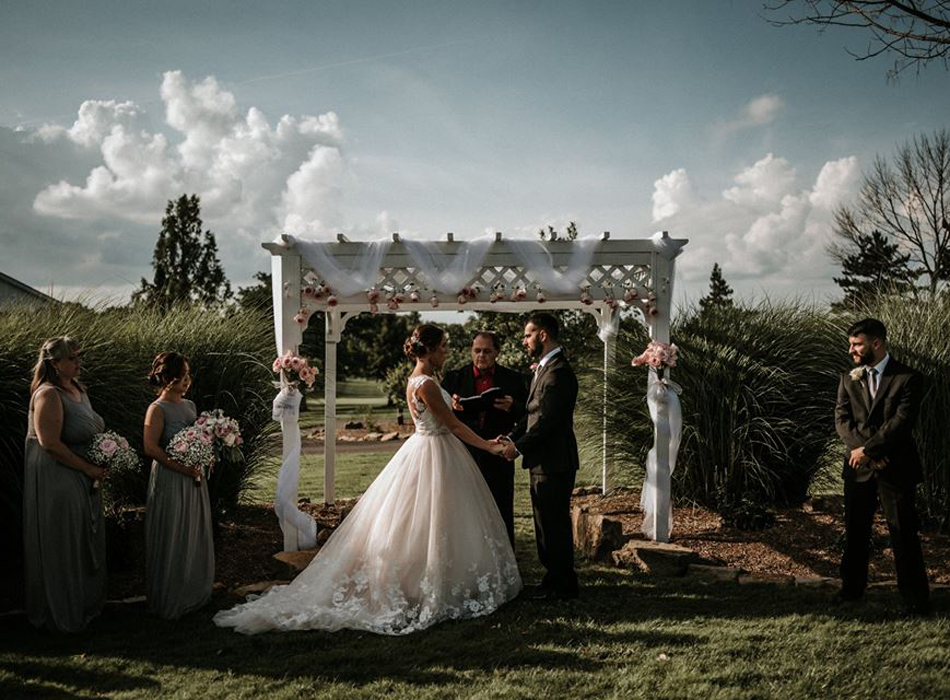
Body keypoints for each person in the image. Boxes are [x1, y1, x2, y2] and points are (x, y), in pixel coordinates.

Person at [214, 324, 522, 635]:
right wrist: (489, 446)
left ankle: (433, 580)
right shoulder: (427, 383)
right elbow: (453, 426)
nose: (447, 351)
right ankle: (427, 583)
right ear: (428, 350)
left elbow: (442, 417)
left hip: (429, 448)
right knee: (429, 520)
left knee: (433, 520)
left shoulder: (420, 378)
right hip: (435, 450)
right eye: (443, 346)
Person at [834, 318, 930, 615]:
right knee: (855, 531)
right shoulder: (848, 378)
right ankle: (851, 592)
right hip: (858, 467)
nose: (851, 350)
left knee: (903, 532)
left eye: (857, 344)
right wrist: (864, 453)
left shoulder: (908, 378)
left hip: (896, 467)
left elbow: (902, 422)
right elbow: (842, 421)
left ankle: (914, 599)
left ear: (876, 343)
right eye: (850, 344)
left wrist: (870, 450)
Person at [23, 336, 107, 632]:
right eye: (71, 358)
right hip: (58, 475)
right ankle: (62, 610)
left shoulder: (79, 390)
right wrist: (88, 468)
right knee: (64, 541)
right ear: (54, 363)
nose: (77, 362)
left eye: (77, 355)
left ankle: (85, 604)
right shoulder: (48, 394)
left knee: (82, 538)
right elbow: (50, 444)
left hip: (83, 474)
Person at [501, 313, 580, 601]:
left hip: (555, 461)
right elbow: (532, 414)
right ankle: (554, 580)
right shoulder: (544, 369)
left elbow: (548, 422)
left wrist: (518, 448)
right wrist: (511, 437)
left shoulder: (559, 372)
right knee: (545, 523)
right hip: (543, 461)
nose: (524, 341)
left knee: (554, 525)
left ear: (543, 335)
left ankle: (563, 584)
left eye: (528, 335)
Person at [143, 352, 214, 619]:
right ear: (167, 378)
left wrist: (208, 455)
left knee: (192, 531)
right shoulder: (157, 409)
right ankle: (171, 596)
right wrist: (183, 469)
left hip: (194, 478)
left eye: (188, 375)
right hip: (171, 479)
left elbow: (199, 439)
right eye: (182, 375)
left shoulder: (190, 406)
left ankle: (192, 593)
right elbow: (150, 447)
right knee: (172, 531)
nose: (187, 380)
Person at [442, 330, 528, 546]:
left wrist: (513, 407)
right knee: (464, 508)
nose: (481, 355)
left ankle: (505, 555)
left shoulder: (514, 379)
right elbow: (440, 415)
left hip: (499, 452)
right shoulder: (453, 378)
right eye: (477, 350)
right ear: (471, 351)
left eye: (487, 351)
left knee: (501, 508)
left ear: (497, 352)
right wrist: (452, 405)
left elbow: (529, 416)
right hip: (464, 452)